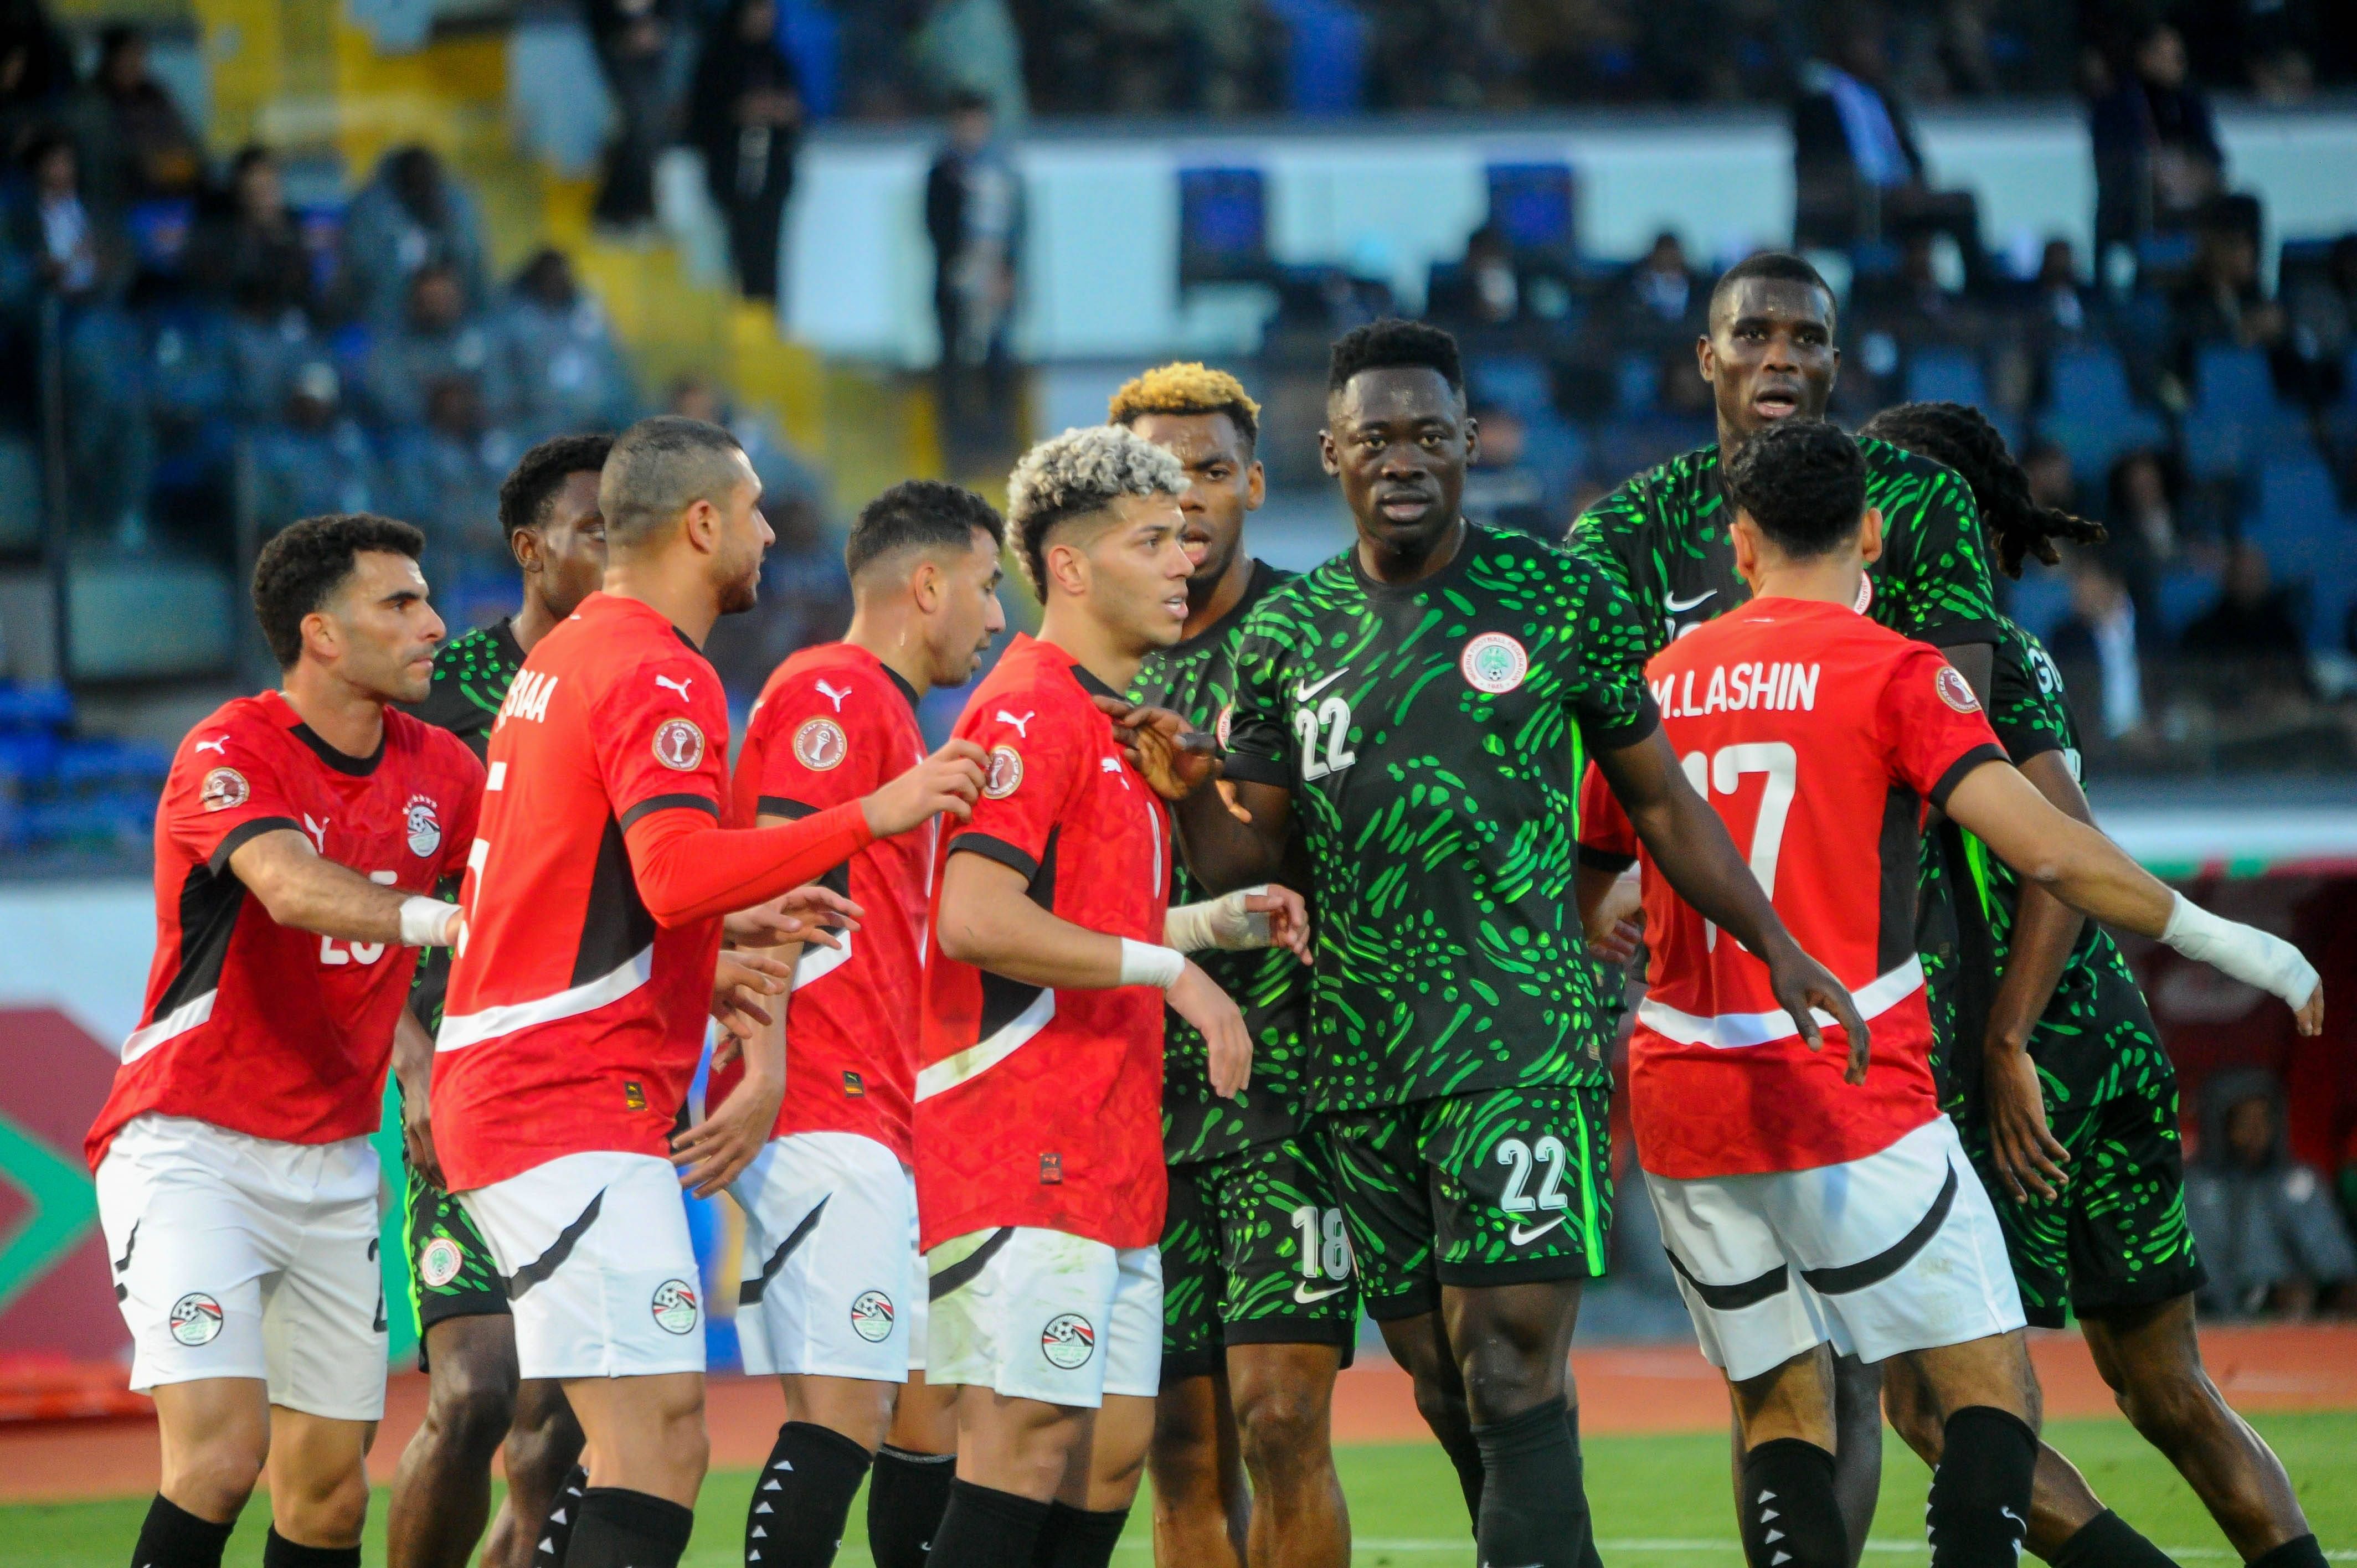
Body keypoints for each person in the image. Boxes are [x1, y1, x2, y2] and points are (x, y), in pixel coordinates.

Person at [1104, 319, 1867, 1568]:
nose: (1401, 459)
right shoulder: (1289, 637)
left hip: (1517, 1042)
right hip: (1357, 1068)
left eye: (1427, 434)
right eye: (1375, 438)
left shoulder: (1558, 598)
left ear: (1468, 441)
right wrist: (1192, 798)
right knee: (1443, 1383)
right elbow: (1257, 871)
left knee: (1510, 1371)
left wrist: (1772, 942)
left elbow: (1663, 802)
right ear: (1332, 454)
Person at [1571, 415, 2323, 1568]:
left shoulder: (1658, 680)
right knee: (1988, 1396)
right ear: (1873, 534)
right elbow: (2055, 849)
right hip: (1850, 1085)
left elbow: (1597, 879)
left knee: (1780, 1410)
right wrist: (2237, 946)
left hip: (1686, 1097)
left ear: (1740, 546)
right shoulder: (1898, 671)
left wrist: (1621, 913)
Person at [430, 415, 989, 1568]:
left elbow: (584, 887)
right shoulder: (658, 667)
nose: (769, 534)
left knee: (635, 1442)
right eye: (751, 512)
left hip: (537, 1084)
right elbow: (676, 871)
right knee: (659, 1444)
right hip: (561, 1095)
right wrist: (870, 814)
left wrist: (709, 961)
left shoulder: (566, 657)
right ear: (700, 524)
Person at [1568, 250, 2006, 1552]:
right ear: (1705, 357)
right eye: (1751, 333)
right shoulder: (1624, 530)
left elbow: (1956, 734)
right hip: (1702, 1003)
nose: (1779, 356)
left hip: (1880, 983)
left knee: (1876, 1368)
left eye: (1804, 338)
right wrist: (1607, 892)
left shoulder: (1916, 496)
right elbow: (1584, 763)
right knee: (1782, 1369)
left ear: (1835, 360)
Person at [1859, 400, 2337, 1568]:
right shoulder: (2006, 645)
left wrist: (2004, 1040)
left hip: (2012, 1059)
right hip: (2109, 1036)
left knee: (1933, 1404)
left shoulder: (1942, 654)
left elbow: (2061, 853)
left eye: (1889, 494)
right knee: (2166, 1385)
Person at [86, 512, 481, 1568]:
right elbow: (290, 887)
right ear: (321, 633)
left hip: (336, 1160)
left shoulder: (444, 768)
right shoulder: (230, 747)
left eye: (427, 599)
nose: (434, 624)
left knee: (329, 1500)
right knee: (220, 1459)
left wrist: (707, 949)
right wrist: (440, 919)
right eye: (401, 602)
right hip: (191, 1144)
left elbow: (545, 887)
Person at [913, 425, 1262, 1568]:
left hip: (1107, 1150)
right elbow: (974, 916)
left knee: (1108, 1458)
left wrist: (1211, 925)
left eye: (1184, 539)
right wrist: (1177, 974)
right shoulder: (1029, 708)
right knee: (1023, 1444)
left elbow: (1083, 927)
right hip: (1019, 1144)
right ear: (1068, 567)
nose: (1185, 561)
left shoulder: (1114, 725)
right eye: (1151, 541)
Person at [718, 479, 1008, 1568]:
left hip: (877, 1103)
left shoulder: (886, 711)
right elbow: (771, 885)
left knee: (924, 1408)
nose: (997, 617)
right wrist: (763, 1070)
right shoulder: (834, 690)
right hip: (817, 1095)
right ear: (926, 585)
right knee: (844, 1409)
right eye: (987, 586)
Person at [1110, 363, 1355, 1568]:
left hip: (1289, 1085)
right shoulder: (1093, 663)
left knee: (1280, 1417)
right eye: (1160, 477)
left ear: (1255, 484)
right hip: (1131, 1096)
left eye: (1212, 470)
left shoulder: (1318, 631)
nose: (1190, 498)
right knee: (1178, 1445)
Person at [382, 435, 608, 1568]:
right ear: (530, 548)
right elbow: (361, 890)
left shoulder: (654, 682)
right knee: (475, 1391)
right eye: (592, 529)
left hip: (603, 1088)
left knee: (556, 1430)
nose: (616, 551)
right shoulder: (443, 693)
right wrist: (411, 1054)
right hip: (465, 1081)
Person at [2189, 1069, 2357, 1322]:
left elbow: (2336, 1265)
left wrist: (2328, 1291)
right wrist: (2251, 1296)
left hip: (2297, 1321)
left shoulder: (2299, 1182)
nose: (2256, 1131)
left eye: (2264, 1119)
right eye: (2245, 1120)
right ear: (2220, 1123)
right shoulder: (2193, 1187)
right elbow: (2193, 1274)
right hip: (2213, 1322)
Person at [925, 90, 1021, 464]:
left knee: (998, 364)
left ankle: (998, 447)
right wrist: (963, 270)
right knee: (954, 368)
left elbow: (1016, 234)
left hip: (995, 285)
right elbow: (936, 229)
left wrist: (1005, 275)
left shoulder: (1002, 174)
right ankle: (957, 449)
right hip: (955, 285)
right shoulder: (943, 173)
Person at [687, 0, 801, 302]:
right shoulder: (717, 60)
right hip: (732, 170)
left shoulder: (777, 60)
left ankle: (764, 309)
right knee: (739, 246)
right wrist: (741, 111)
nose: (765, 19)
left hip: (772, 173)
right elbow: (704, 116)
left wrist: (780, 112)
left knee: (769, 249)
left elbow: (795, 113)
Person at [2091, 23, 2225, 253]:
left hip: (2190, 192)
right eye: (2171, 57)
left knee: (2242, 207)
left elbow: (2213, 154)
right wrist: (2156, 172)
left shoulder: (2189, 101)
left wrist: (2196, 173)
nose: (2179, 64)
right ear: (2146, 58)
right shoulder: (2116, 105)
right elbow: (2116, 161)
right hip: (2138, 201)